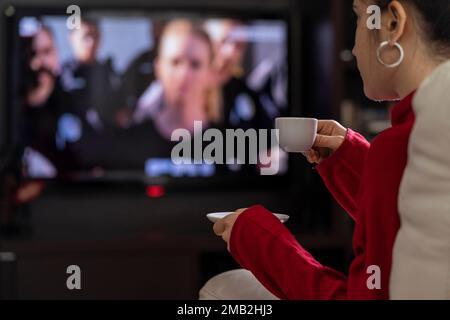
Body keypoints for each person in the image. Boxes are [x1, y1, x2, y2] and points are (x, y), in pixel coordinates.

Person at [202, 0, 450, 300]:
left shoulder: (400, 146)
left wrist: (259, 240)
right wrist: (352, 158)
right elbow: (411, 224)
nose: (355, 49)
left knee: (226, 289)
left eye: (358, 17)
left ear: (393, 24)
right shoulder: (422, 140)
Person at [61, 18, 125, 129]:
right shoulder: (62, 76)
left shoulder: (109, 73)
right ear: (72, 37)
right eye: (86, 36)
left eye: (96, 36)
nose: (91, 43)